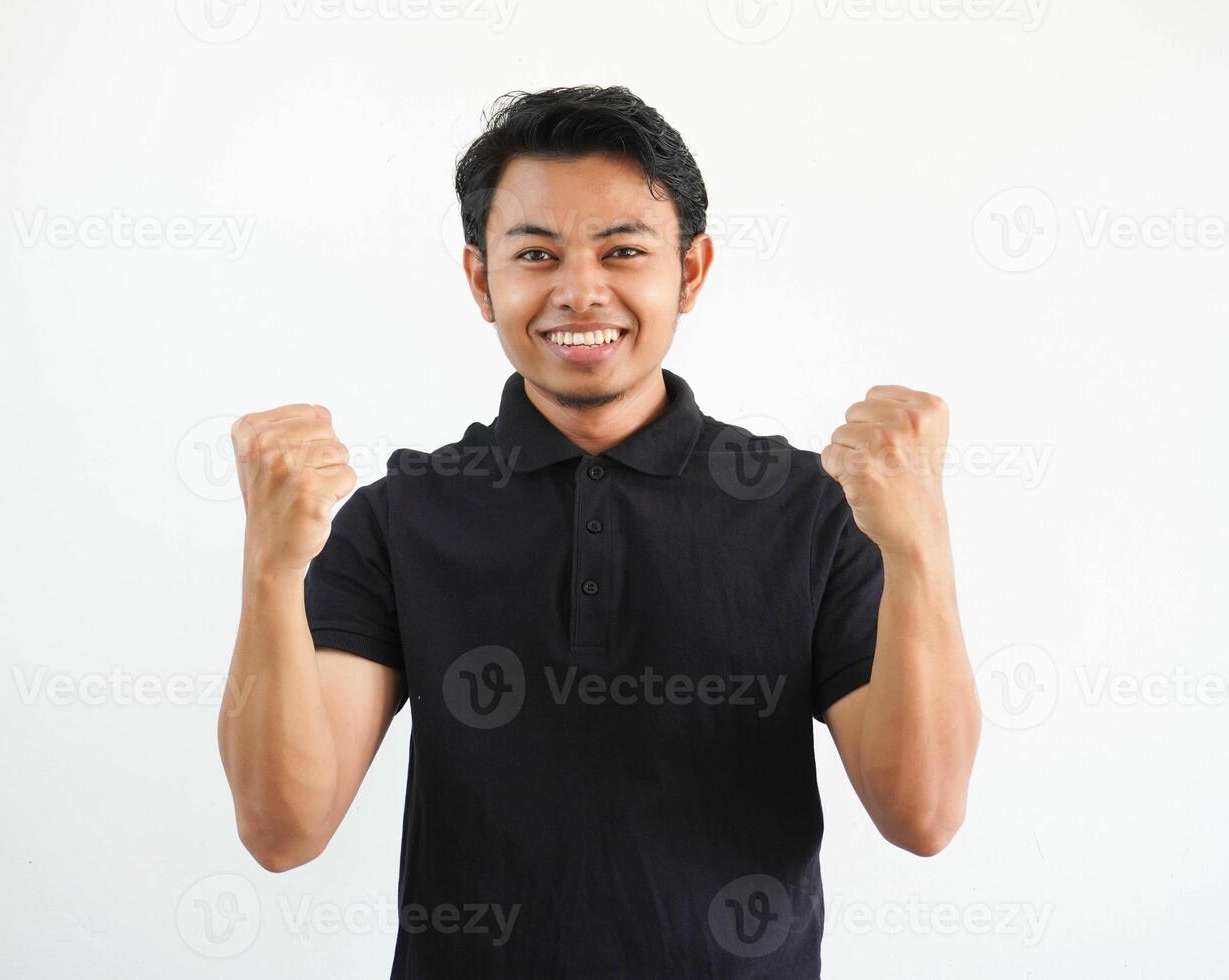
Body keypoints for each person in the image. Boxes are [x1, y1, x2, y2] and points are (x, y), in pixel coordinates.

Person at [217, 84, 981, 978]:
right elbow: (282, 831)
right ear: (481, 279)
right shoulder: (402, 515)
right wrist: (271, 567)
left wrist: (919, 546)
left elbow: (923, 816)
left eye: (623, 250)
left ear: (690, 272)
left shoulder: (807, 508)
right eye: (536, 253)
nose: (580, 292)